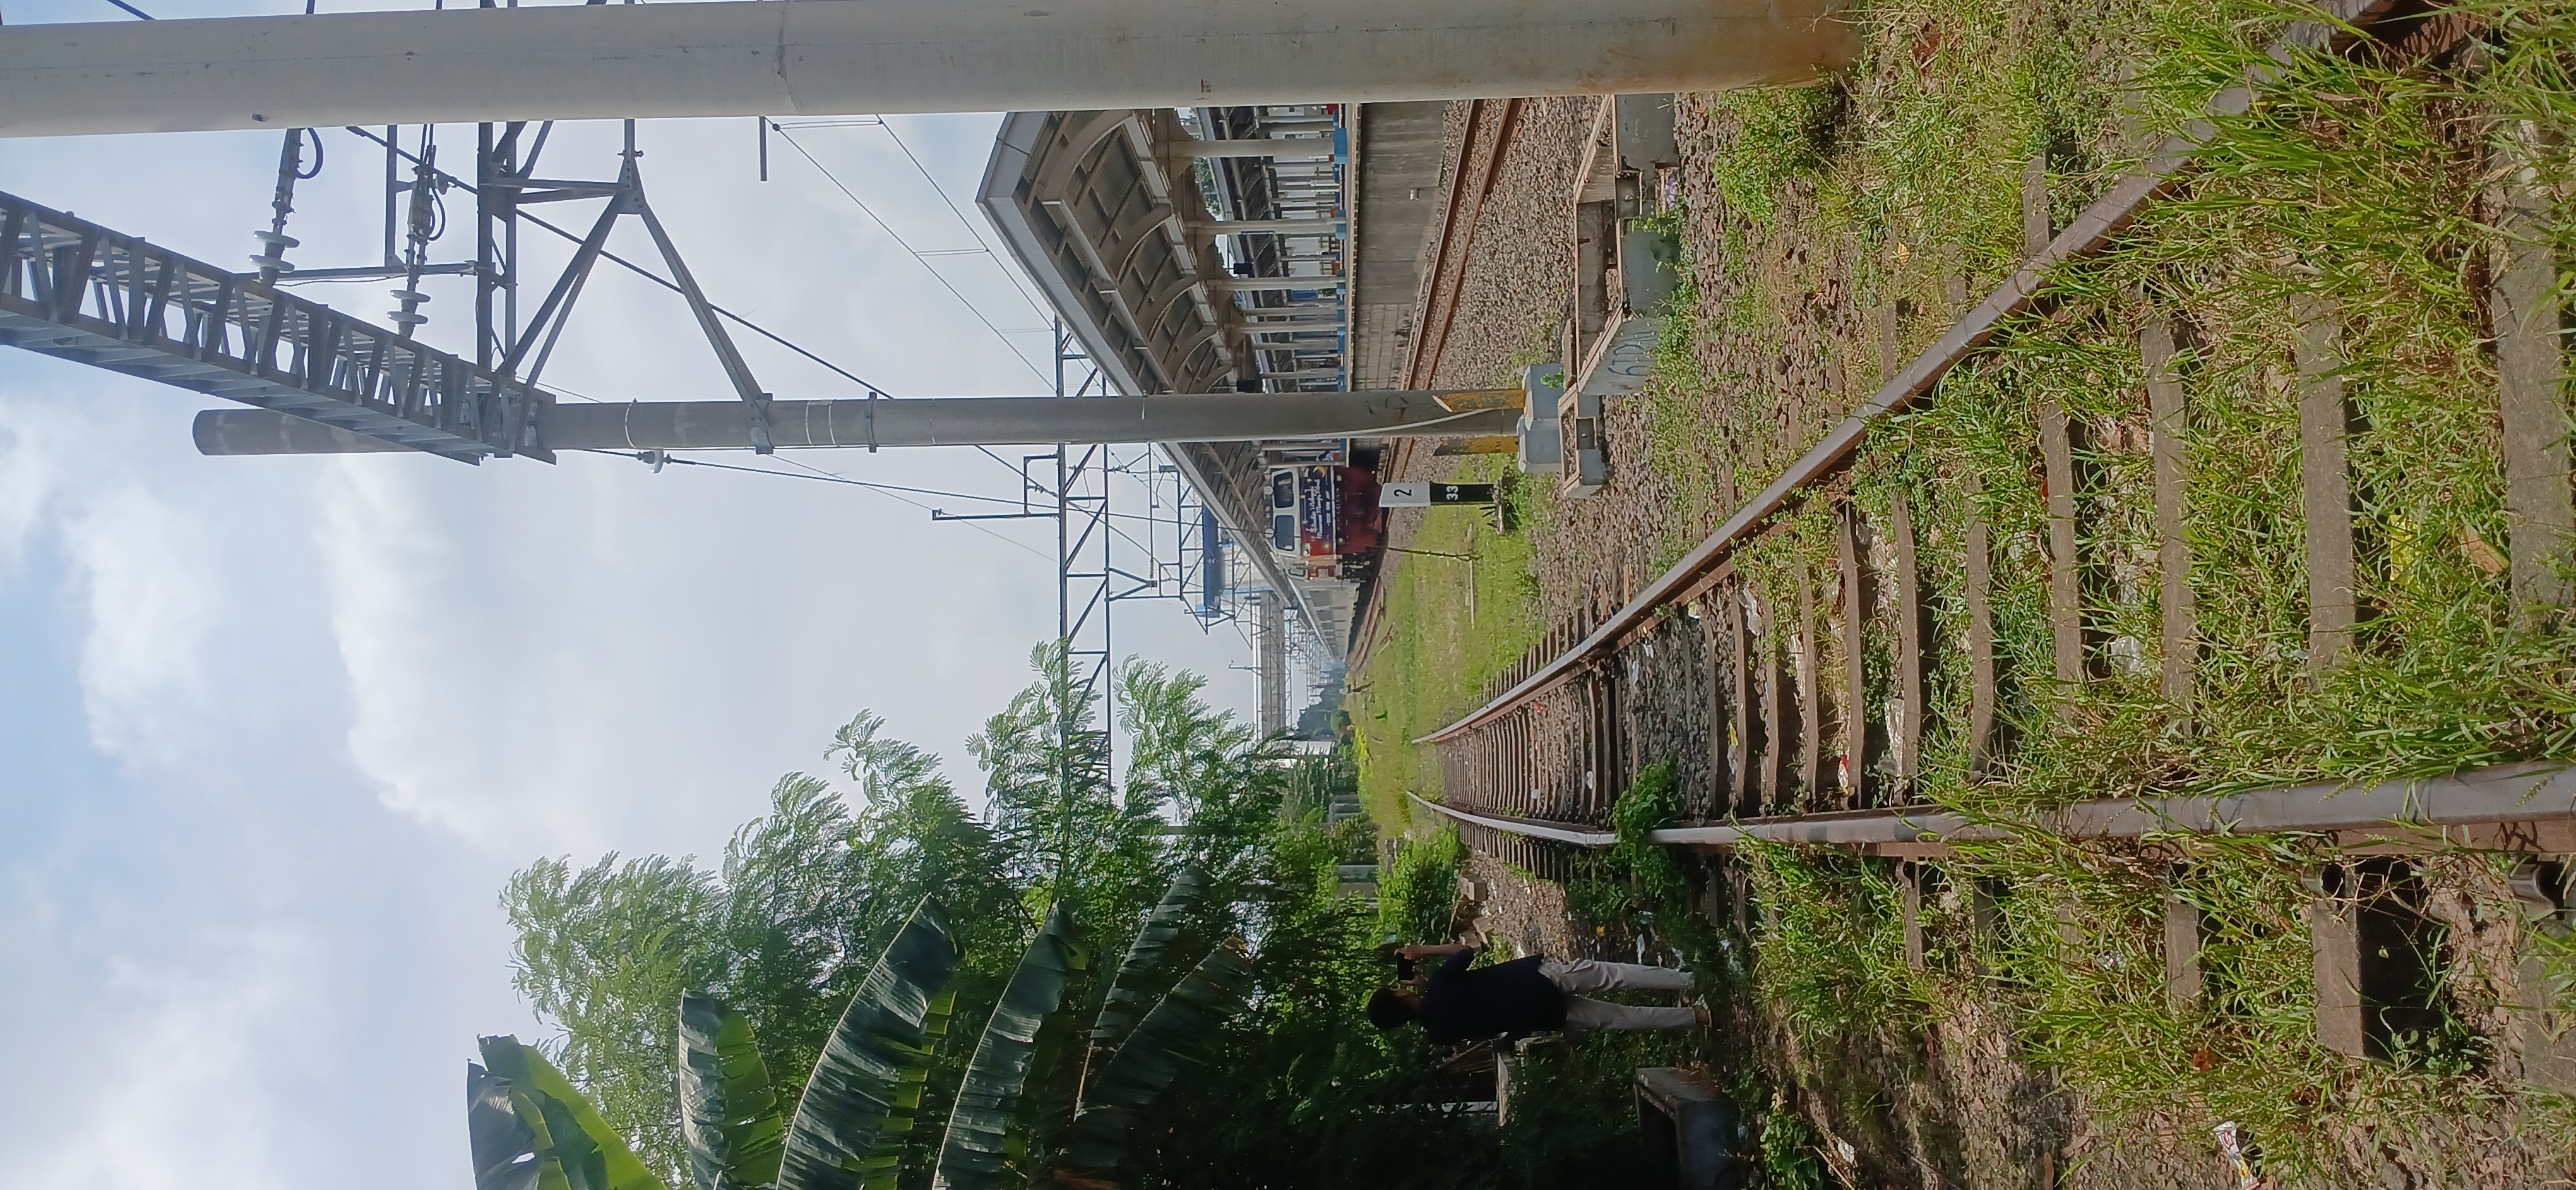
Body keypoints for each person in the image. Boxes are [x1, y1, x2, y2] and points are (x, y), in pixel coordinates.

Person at [1365, 942, 1705, 1043]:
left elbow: (1469, 1014)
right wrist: (1424, 952)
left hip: (1541, 1014)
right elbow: (1467, 950)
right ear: (1399, 997)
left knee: (1620, 1018)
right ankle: (1688, 980)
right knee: (1612, 976)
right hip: (1537, 981)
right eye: (1397, 990)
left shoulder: (1438, 1033)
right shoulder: (1441, 984)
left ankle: (1697, 1016)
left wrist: (1426, 988)